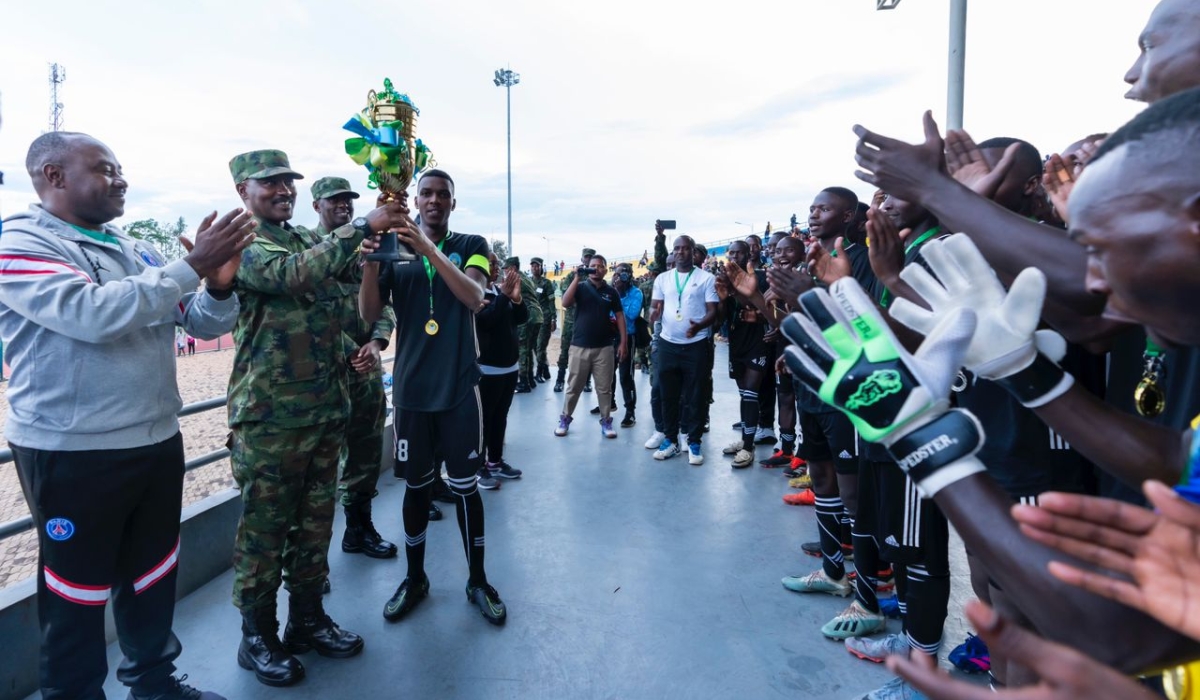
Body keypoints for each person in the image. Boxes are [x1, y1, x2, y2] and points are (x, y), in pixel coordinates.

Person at [1, 131, 254, 700]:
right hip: (72, 452)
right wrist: (191, 264)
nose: (121, 180)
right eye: (104, 169)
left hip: (156, 439)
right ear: (53, 176)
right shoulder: (19, 241)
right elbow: (92, 314)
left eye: (120, 169)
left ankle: (154, 683)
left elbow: (204, 323)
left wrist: (217, 282)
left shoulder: (131, 247)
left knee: (153, 574)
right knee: (75, 592)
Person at [227, 150, 404, 686]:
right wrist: (360, 227)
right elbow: (294, 276)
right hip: (271, 420)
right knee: (264, 532)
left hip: (326, 409)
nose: (282, 190)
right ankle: (256, 634)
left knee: (313, 527)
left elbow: (348, 290)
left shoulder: (307, 239)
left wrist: (382, 229)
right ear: (243, 191)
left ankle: (307, 619)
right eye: (270, 183)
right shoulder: (245, 243)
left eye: (287, 182)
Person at [358, 168, 508, 627]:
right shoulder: (392, 250)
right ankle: (415, 579)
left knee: (466, 491)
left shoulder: (471, 245)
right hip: (411, 393)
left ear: (453, 203)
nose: (435, 200)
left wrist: (427, 248)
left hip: (460, 389)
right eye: (426, 193)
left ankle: (477, 580)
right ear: (415, 200)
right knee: (416, 489)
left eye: (443, 194)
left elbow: (474, 296)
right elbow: (368, 314)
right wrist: (368, 262)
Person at [309, 176, 399, 559]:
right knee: (318, 468)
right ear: (316, 206)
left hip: (365, 371)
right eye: (335, 200)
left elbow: (385, 303)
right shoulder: (308, 248)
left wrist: (377, 343)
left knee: (364, 455)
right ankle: (309, 561)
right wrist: (350, 348)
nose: (344, 205)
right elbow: (310, 310)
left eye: (349, 200)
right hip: (323, 376)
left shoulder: (369, 247)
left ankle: (359, 531)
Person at [649, 236, 718, 465]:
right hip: (668, 344)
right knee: (668, 396)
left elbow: (712, 311)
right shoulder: (663, 278)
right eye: (677, 248)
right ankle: (671, 440)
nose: (680, 252)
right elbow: (655, 306)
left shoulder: (706, 278)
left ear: (692, 251)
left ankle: (694, 441)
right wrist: (653, 314)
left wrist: (699, 325)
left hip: (695, 345)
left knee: (695, 396)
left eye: (685, 248)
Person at [555, 253, 627, 438]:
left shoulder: (611, 292)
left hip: (604, 347)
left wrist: (623, 343)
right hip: (579, 346)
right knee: (574, 387)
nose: (595, 269)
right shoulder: (579, 287)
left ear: (605, 269)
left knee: (604, 388)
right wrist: (577, 276)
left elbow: (620, 316)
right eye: (592, 265)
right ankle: (565, 418)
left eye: (599, 266)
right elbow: (565, 302)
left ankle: (606, 421)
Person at [716, 241, 769, 469]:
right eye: (732, 252)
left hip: (758, 341)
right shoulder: (722, 277)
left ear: (749, 253)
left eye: (739, 251)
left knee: (750, 393)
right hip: (736, 342)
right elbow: (720, 320)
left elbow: (765, 309)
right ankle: (746, 440)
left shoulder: (761, 276)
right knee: (743, 393)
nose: (735, 255)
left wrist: (735, 294)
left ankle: (748, 447)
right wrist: (721, 298)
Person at [476, 255, 527, 480]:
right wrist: (505, 297)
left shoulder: (499, 293)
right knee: (484, 421)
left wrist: (516, 299)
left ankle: (495, 461)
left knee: (500, 419)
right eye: (490, 263)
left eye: (497, 264)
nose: (495, 268)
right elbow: (486, 321)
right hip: (487, 371)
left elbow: (522, 318)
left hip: (509, 368)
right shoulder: (474, 294)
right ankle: (478, 467)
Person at [554, 247, 596, 393]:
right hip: (571, 320)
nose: (588, 259)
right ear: (582, 259)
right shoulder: (573, 276)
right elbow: (565, 294)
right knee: (565, 350)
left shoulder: (595, 276)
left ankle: (587, 381)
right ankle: (560, 379)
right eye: (586, 257)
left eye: (591, 257)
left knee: (587, 352)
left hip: (587, 322)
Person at [611, 262, 642, 427]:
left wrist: (619, 296)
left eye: (624, 274)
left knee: (626, 376)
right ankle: (610, 403)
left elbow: (631, 314)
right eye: (617, 274)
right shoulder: (612, 291)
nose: (620, 277)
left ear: (630, 276)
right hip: (611, 336)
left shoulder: (636, 293)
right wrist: (615, 292)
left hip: (628, 337)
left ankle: (630, 411)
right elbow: (607, 313)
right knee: (608, 373)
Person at [512, 256, 543, 393]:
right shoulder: (526, 278)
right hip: (536, 316)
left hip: (528, 316)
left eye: (506, 269)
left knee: (523, 348)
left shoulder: (516, 278)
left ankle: (524, 382)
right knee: (529, 348)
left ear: (512, 268)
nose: (505, 272)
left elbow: (510, 295)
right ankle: (530, 379)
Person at [529, 256, 557, 382]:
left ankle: (539, 373)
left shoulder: (546, 283)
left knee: (540, 346)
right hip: (532, 319)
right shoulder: (528, 282)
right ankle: (546, 370)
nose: (535, 268)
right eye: (533, 266)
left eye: (537, 266)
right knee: (535, 346)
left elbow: (551, 302)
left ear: (541, 267)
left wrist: (553, 319)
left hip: (545, 319)